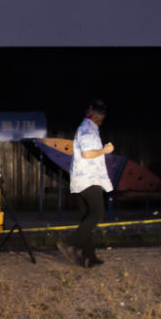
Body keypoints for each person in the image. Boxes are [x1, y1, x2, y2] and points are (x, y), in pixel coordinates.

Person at [58, 100, 114, 268]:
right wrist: (105, 150)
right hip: (89, 179)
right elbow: (87, 154)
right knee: (97, 214)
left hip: (81, 179)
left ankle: (89, 256)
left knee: (86, 218)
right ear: (97, 115)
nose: (103, 117)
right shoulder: (88, 130)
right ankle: (70, 244)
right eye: (101, 114)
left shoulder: (88, 128)